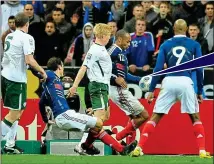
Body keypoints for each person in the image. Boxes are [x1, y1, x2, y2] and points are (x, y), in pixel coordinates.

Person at [130, 19, 211, 158]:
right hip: (185, 81)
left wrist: (151, 89)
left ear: (173, 28)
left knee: (156, 116)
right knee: (195, 116)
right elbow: (199, 69)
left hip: (169, 81)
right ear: (186, 30)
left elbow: (158, 68)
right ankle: (202, 151)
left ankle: (139, 147)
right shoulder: (194, 44)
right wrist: (199, 91)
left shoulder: (166, 44)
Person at [39, 57, 137, 156]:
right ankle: (85, 146)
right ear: (59, 66)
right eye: (63, 66)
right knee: (98, 122)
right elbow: (40, 72)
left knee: (97, 128)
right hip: (64, 116)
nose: (63, 69)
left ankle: (121, 149)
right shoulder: (51, 75)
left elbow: (41, 103)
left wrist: (45, 120)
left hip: (65, 117)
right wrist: (38, 72)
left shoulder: (51, 86)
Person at [68, 23, 137, 155]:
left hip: (103, 87)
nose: (110, 38)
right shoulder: (95, 50)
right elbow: (84, 67)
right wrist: (75, 85)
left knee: (104, 118)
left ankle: (86, 145)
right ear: (101, 36)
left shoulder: (102, 49)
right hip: (98, 86)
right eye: (109, 36)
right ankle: (120, 149)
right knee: (98, 121)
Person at [1, 12, 47, 154]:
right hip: (16, 79)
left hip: (5, 76)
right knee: (14, 113)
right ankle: (7, 143)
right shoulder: (27, 38)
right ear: (27, 24)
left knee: (17, 111)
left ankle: (10, 144)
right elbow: (29, 60)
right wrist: (42, 71)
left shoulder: (10, 35)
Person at [109, 30, 149, 143]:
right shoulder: (113, 51)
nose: (129, 44)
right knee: (144, 115)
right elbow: (99, 68)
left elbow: (125, 76)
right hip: (117, 90)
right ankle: (116, 139)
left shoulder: (122, 54)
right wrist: (114, 78)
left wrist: (140, 79)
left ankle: (126, 144)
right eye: (127, 42)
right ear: (119, 40)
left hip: (120, 89)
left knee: (134, 118)